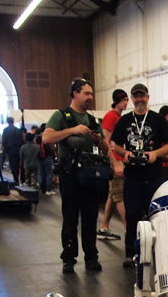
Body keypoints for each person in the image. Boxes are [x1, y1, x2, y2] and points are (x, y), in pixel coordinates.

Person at [42, 77, 109, 274]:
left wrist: (98, 139)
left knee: (90, 217)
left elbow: (106, 148)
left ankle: (91, 257)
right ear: (75, 93)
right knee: (70, 217)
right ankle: (69, 258)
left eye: (91, 94)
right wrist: (73, 130)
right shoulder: (61, 116)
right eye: (86, 93)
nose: (90, 97)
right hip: (69, 174)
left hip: (89, 174)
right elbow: (46, 137)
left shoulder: (93, 121)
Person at [111, 84, 168, 267]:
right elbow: (115, 144)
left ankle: (158, 252)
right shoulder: (125, 120)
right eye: (136, 96)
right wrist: (125, 154)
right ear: (132, 98)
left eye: (142, 96)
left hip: (155, 175)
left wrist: (155, 153)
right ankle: (131, 252)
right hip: (133, 176)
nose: (139, 99)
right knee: (132, 215)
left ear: (147, 97)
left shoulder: (157, 119)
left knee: (156, 214)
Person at [98, 88, 128, 240]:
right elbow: (106, 141)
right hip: (114, 161)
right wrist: (115, 162)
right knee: (119, 195)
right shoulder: (111, 116)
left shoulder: (118, 116)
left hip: (118, 159)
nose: (126, 102)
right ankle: (130, 230)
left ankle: (104, 227)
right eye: (123, 100)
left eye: (126, 100)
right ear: (117, 101)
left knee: (113, 194)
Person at [35, 125, 56, 195]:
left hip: (39, 158)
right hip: (48, 157)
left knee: (40, 173)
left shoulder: (37, 138)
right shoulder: (47, 137)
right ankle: (48, 190)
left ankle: (40, 188)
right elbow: (52, 149)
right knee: (49, 174)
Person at [2, 116, 23, 182]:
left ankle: (15, 179)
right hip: (17, 149)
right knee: (17, 165)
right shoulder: (18, 130)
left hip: (10, 150)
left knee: (12, 165)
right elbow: (21, 140)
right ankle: (19, 178)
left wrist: (5, 149)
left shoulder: (5, 130)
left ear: (7, 122)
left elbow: (4, 141)